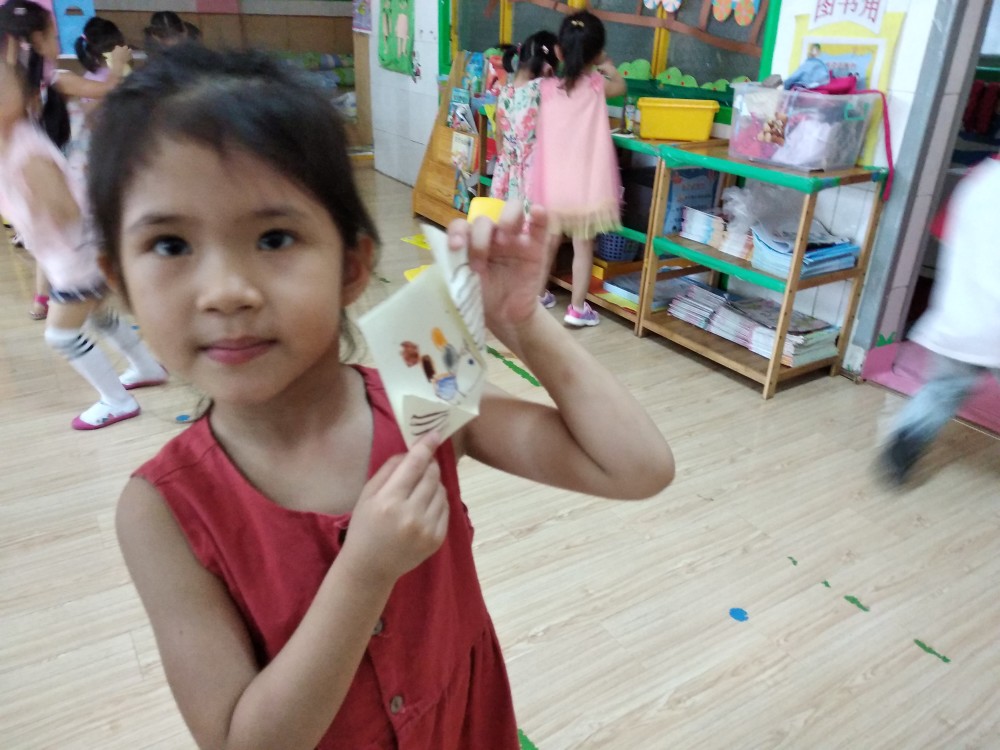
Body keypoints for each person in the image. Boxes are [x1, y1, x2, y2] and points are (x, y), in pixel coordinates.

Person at [90, 46, 674, 749]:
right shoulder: (160, 512)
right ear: (119, 281)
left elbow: (637, 467)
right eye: (169, 245)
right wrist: (364, 571)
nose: (226, 292)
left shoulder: (421, 387)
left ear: (353, 265)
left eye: (274, 237)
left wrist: (522, 322)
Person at [0, 60, 166, 428]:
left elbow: (66, 211)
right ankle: (146, 367)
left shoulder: (26, 152)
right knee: (100, 316)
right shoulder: (10, 143)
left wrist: (35, 215)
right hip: (71, 252)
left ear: (25, 97)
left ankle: (117, 401)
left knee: (61, 335)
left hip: (77, 254)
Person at [880, 155, 1000, 485]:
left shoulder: (980, 177)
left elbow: (942, 233)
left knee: (942, 388)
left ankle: (905, 441)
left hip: (960, 317)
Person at [529, 11, 626, 327]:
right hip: (586, 186)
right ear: (595, 54)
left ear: (559, 51)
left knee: (549, 240)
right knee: (583, 247)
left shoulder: (546, 89)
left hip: (553, 185)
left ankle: (538, 295)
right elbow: (620, 85)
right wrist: (605, 62)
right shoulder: (598, 85)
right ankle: (577, 309)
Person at [490, 30, 558, 308]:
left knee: (508, 227)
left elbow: (498, 134)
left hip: (507, 168)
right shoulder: (542, 89)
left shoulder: (505, 90)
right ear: (547, 66)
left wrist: (509, 159)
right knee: (536, 231)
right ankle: (533, 291)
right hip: (532, 171)